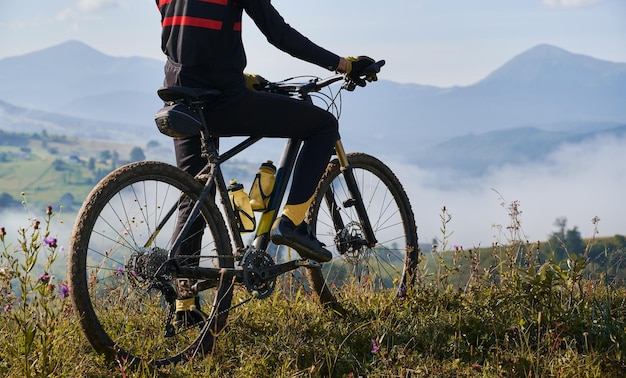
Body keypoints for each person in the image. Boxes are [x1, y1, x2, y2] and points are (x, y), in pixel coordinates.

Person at [156, 0, 377, 276]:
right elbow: (279, 34)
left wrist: (239, 76)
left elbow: (183, 37)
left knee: (195, 195)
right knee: (323, 125)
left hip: (178, 98)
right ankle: (292, 223)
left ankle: (185, 306)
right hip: (221, 101)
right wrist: (344, 65)